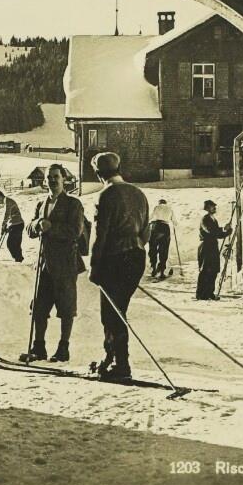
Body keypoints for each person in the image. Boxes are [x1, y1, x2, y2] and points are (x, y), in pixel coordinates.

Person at [89, 152, 149, 381]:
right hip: (137, 258)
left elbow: (100, 234)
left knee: (111, 313)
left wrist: (95, 265)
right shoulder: (139, 193)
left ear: (98, 174)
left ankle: (120, 364)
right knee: (119, 309)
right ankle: (111, 359)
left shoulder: (106, 195)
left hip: (114, 259)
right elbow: (146, 232)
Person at [25, 164, 85, 363]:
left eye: (56, 177)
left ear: (64, 179)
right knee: (39, 307)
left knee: (66, 308)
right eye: (49, 177)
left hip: (66, 264)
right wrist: (37, 224)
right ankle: (38, 347)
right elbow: (29, 229)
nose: (52, 180)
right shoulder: (41, 204)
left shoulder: (73, 204)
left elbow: (75, 231)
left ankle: (63, 348)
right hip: (44, 264)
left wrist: (50, 227)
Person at [196, 199, 231, 300]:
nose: (214, 208)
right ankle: (201, 294)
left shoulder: (213, 219)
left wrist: (227, 232)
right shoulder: (205, 219)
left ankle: (209, 293)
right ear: (207, 208)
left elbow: (217, 234)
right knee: (205, 271)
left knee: (213, 270)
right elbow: (210, 231)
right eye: (212, 206)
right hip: (206, 247)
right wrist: (223, 229)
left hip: (213, 246)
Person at [147, 198, 174, 278]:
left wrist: (148, 223)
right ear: (165, 203)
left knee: (153, 248)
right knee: (164, 250)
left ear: (159, 203)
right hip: (165, 228)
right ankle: (162, 271)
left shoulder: (157, 207)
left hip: (155, 227)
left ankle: (153, 269)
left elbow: (150, 217)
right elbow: (175, 222)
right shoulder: (170, 209)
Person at [0, 191, 24, 262]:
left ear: (0, 197)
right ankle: (19, 260)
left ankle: (18, 259)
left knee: (10, 244)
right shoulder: (7, 201)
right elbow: (10, 216)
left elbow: (7, 214)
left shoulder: (8, 201)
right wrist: (7, 227)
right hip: (17, 224)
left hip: (17, 224)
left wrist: (3, 225)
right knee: (16, 244)